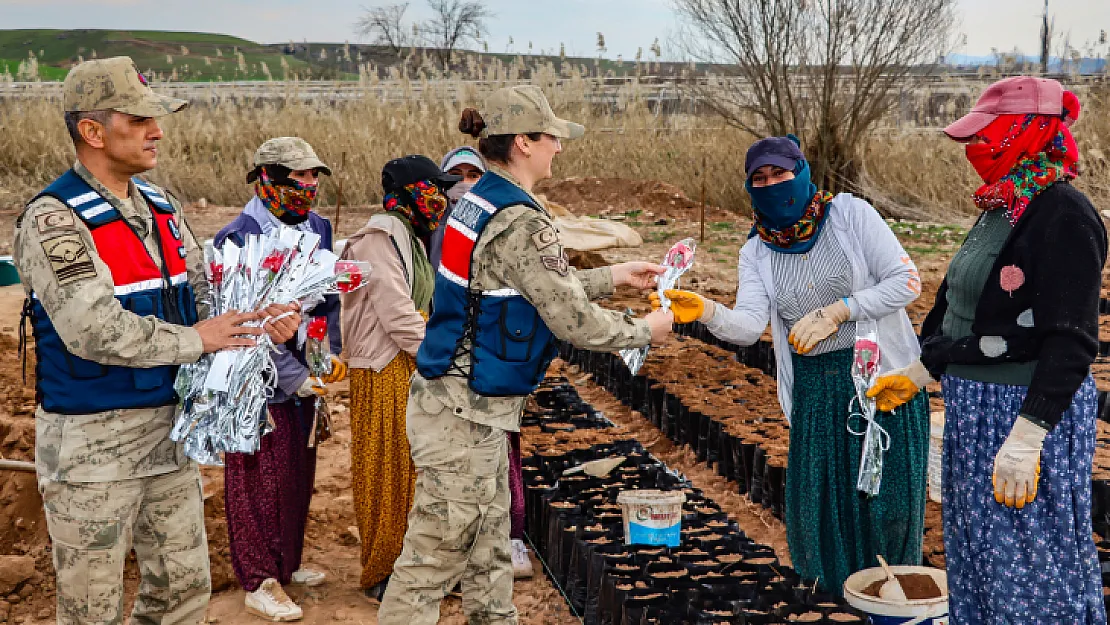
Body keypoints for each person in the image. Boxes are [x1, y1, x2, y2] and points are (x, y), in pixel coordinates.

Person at [14, 56, 301, 625]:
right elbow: (92, 328)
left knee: (182, 593)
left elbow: (203, 293)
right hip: (95, 452)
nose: (158, 130)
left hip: (170, 439)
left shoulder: (162, 206)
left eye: (157, 117)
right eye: (140, 119)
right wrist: (200, 339)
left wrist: (252, 320)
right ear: (92, 132)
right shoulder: (55, 220)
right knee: (92, 610)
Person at [376, 85, 674, 625]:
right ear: (523, 142)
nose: (559, 148)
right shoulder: (521, 219)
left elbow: (522, 289)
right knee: (430, 563)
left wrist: (612, 274)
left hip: (464, 406)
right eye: (552, 137)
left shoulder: (476, 201)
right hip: (465, 415)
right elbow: (570, 319)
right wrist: (646, 328)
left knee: (490, 550)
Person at [868, 77, 1107, 623]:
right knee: (978, 562)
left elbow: (1072, 340)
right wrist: (923, 369)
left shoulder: (1064, 214)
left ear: (1028, 132)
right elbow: (961, 301)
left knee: (1028, 569)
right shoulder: (1002, 206)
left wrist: (1027, 438)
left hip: (1020, 415)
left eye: (986, 135)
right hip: (975, 413)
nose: (975, 149)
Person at [652, 135, 928, 595]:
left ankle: (893, 605)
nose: (771, 184)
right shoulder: (756, 251)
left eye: (780, 173)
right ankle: (839, 605)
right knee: (825, 515)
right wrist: (704, 310)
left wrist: (840, 310)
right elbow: (747, 326)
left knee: (888, 507)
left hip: (882, 380)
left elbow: (907, 282)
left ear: (800, 172)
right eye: (759, 179)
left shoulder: (851, 216)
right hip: (818, 391)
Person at [215, 137, 345, 621]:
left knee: (295, 472)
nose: (309, 185)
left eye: (315, 176)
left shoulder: (317, 227)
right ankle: (259, 580)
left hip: (299, 372)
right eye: (299, 177)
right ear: (267, 178)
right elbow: (244, 322)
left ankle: (286, 565)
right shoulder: (239, 238)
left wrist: (320, 355)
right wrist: (293, 375)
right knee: (256, 479)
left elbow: (325, 299)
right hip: (252, 378)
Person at [340, 155, 459, 600]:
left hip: (408, 361)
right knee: (385, 468)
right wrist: (440, 357)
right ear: (408, 193)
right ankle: (381, 571)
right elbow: (397, 315)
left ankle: (411, 564)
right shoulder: (378, 239)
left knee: (412, 469)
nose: (441, 197)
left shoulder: (411, 235)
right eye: (433, 188)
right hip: (384, 366)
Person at [433, 147, 534, 579]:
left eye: (474, 172)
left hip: (495, 361)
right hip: (457, 367)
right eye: (455, 174)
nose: (466, 181)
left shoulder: (502, 223)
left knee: (502, 459)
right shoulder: (441, 230)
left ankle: (509, 539)